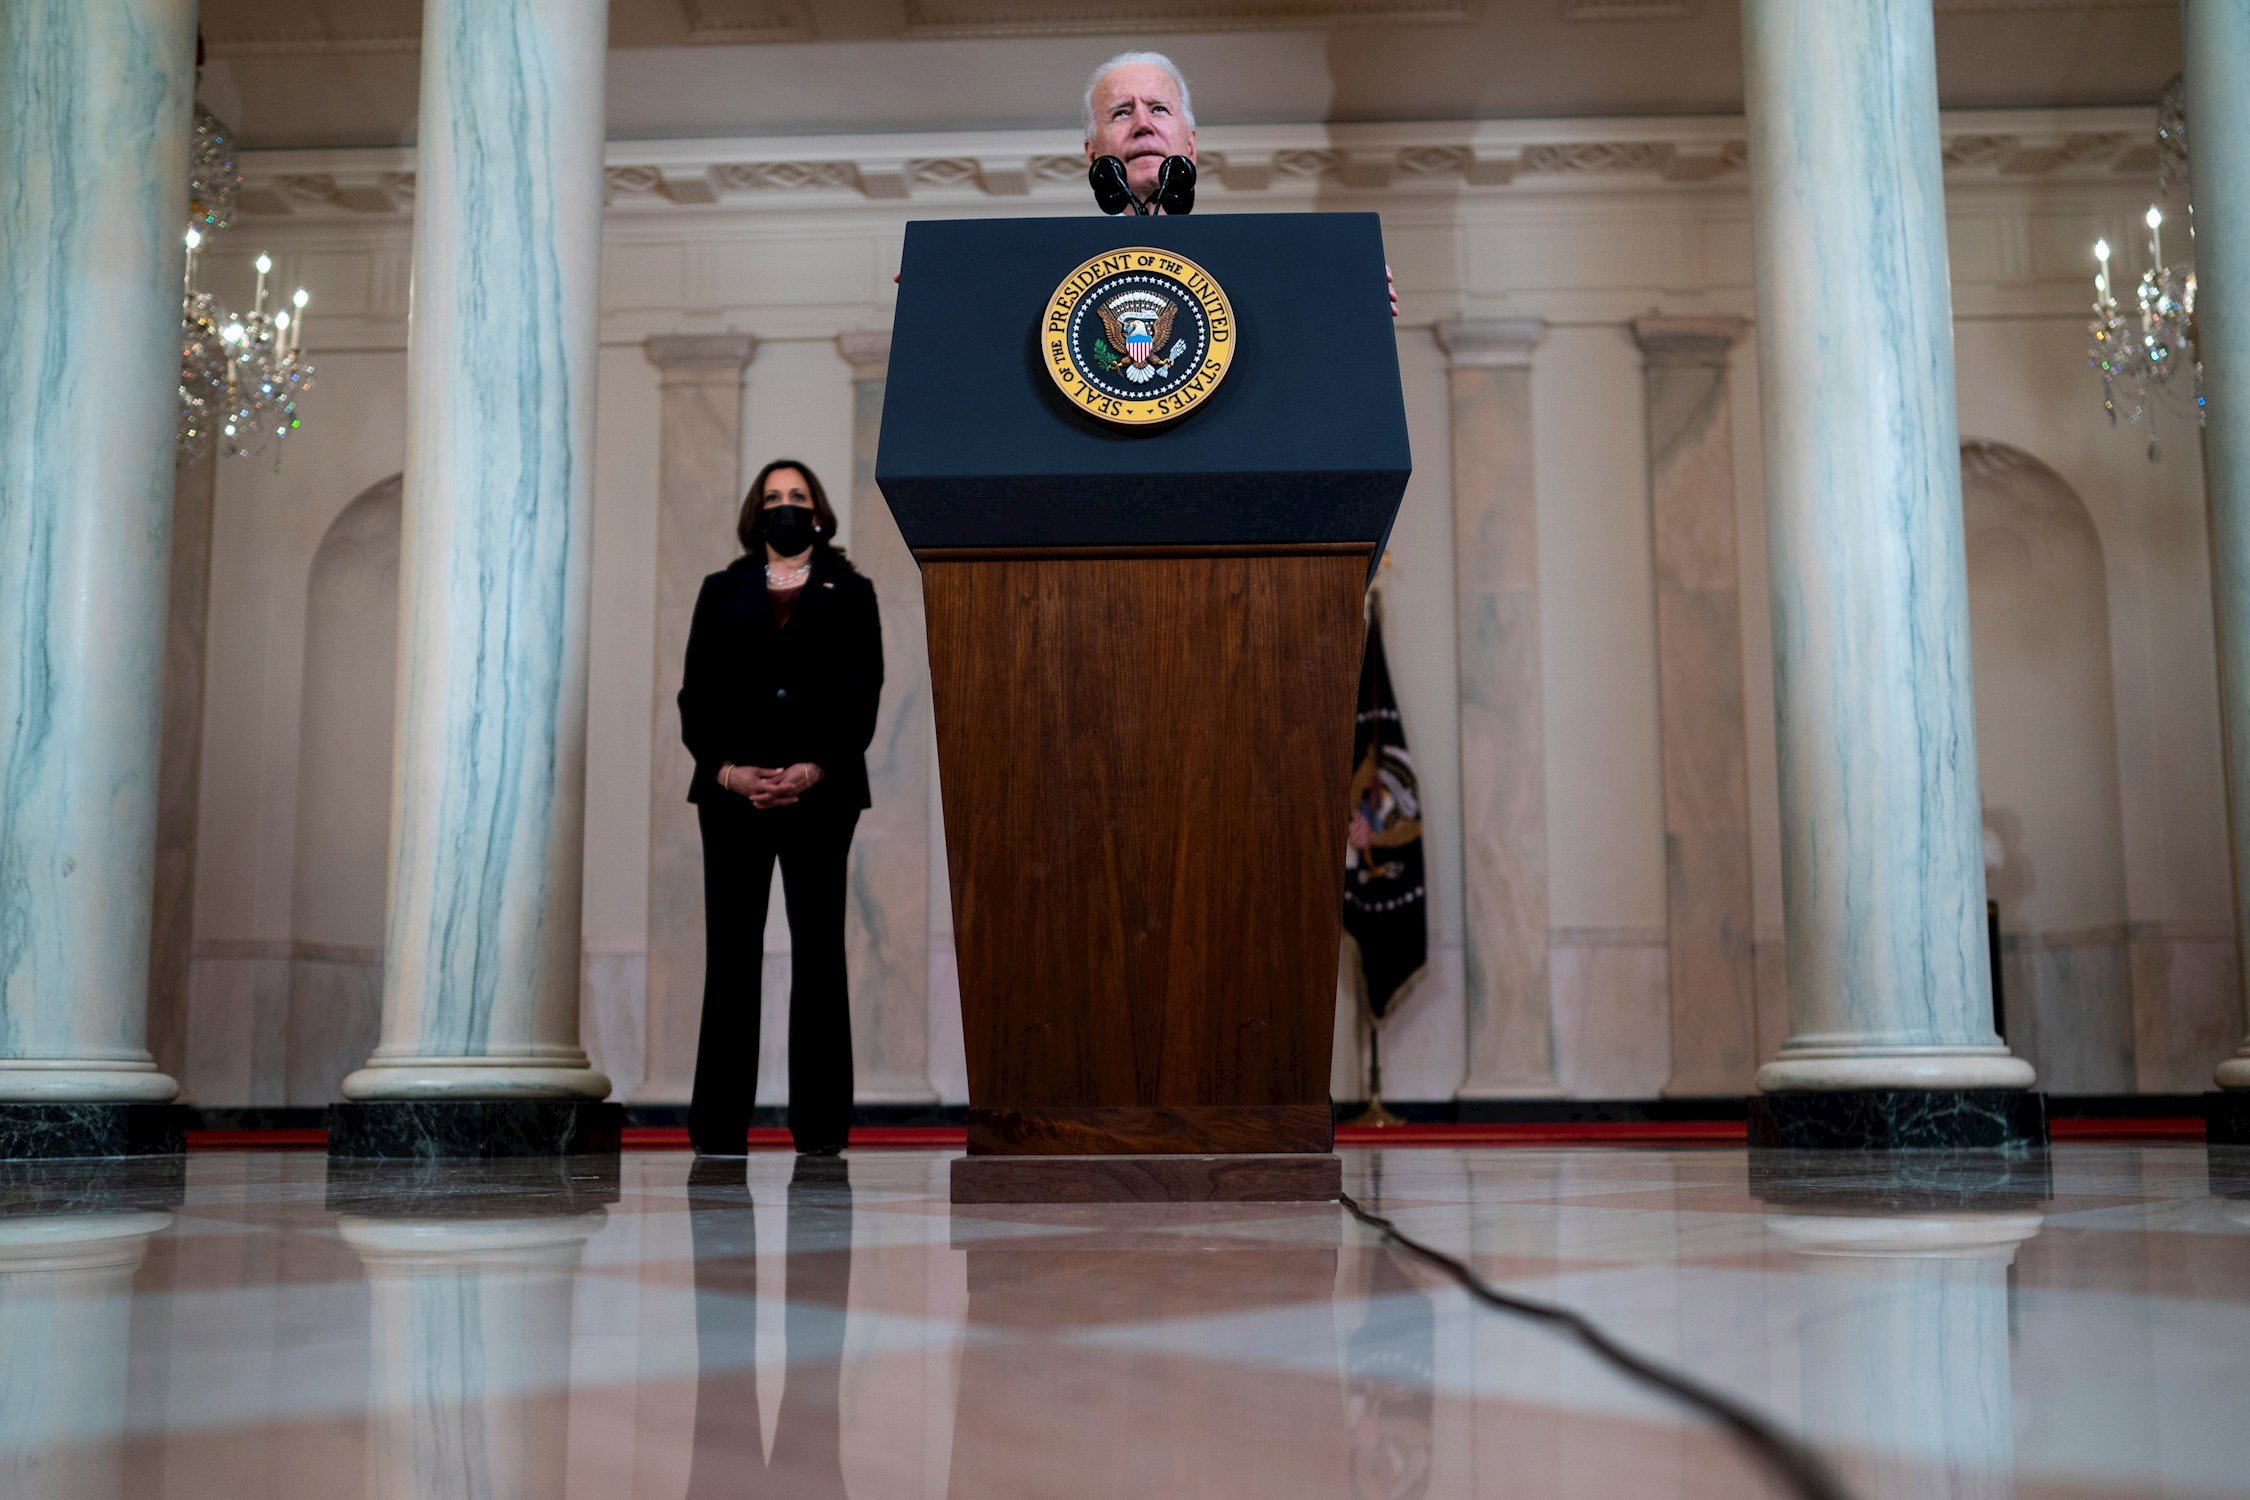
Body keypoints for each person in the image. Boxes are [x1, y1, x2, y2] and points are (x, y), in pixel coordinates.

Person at [678, 459, 882, 1158]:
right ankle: (718, 1127)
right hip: (732, 797)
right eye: (773, 498)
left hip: (821, 797)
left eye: (797, 497)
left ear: (819, 513)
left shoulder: (851, 591)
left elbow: (863, 693)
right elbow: (695, 697)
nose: (785, 508)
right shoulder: (720, 590)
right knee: (731, 956)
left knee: (820, 955)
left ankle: (822, 1128)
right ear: (754, 513)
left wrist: (812, 769)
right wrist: (730, 773)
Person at [1080, 49, 1398, 316]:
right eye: (1122, 112)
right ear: (1093, 154)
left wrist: (1353, 294)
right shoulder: (1063, 265)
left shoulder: (1253, 265)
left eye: (1159, 109)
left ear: (1190, 146)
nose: (1143, 125)